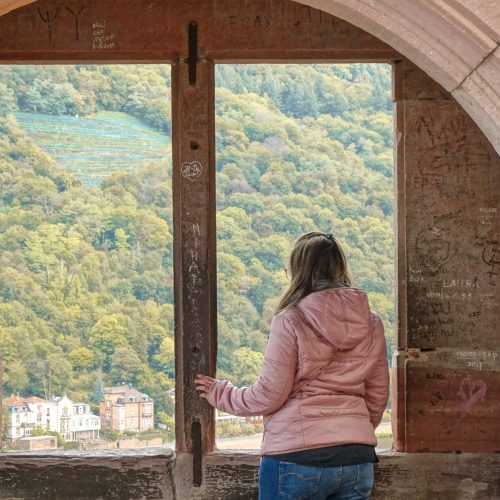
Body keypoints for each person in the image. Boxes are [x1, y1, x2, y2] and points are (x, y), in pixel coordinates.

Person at [195, 231, 389, 499]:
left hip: (296, 457)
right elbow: (378, 395)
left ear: (298, 270)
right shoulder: (372, 322)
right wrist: (352, 430)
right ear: (340, 266)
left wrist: (220, 393)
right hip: (357, 457)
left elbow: (269, 395)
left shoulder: (290, 320)